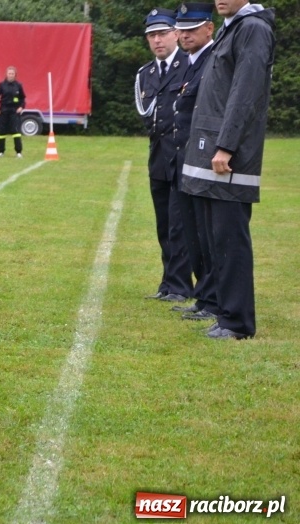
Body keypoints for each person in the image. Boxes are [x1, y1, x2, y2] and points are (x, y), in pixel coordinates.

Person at [180, 0, 275, 340]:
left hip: (228, 154)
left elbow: (245, 93)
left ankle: (237, 322)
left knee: (230, 239)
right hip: (211, 148)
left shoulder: (253, 28)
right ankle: (223, 312)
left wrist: (227, 145)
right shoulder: (233, 27)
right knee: (213, 237)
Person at [134, 8, 192, 303]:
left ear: (176, 34)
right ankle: (169, 282)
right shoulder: (146, 74)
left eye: (162, 34)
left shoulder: (189, 65)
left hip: (182, 154)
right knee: (163, 222)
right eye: (152, 35)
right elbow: (147, 115)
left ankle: (182, 285)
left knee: (179, 222)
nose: (157, 40)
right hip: (158, 155)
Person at [171, 3, 219, 321]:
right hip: (184, 160)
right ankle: (203, 296)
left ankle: (213, 299)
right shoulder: (191, 63)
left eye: (192, 28)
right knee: (192, 233)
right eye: (182, 29)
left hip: (203, 159)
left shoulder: (213, 61)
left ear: (209, 28)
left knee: (206, 234)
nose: (185, 34)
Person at [0, 66, 26, 158]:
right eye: (9, 73)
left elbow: (23, 98)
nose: (11, 75)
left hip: (14, 111)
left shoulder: (18, 85)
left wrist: (21, 107)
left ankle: (18, 152)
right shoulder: (2, 85)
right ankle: (1, 151)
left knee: (16, 131)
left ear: (15, 75)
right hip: (3, 110)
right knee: (2, 131)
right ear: (6, 74)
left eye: (12, 74)